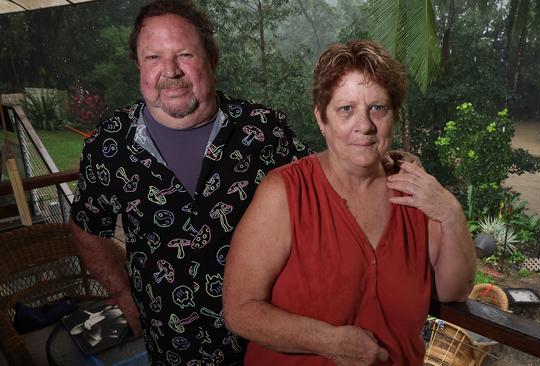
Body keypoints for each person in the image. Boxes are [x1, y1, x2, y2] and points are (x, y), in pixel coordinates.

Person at [69, 1, 413, 364]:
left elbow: (328, 183)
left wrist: (386, 162)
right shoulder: (109, 145)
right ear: (138, 65)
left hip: (271, 340)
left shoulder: (263, 131)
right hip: (172, 343)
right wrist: (123, 293)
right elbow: (87, 227)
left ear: (212, 59)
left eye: (185, 54)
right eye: (153, 57)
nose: (169, 71)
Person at [222, 40, 477, 366]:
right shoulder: (284, 193)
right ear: (321, 118)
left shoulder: (414, 192)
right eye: (346, 109)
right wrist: (331, 342)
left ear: (393, 115)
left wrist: (451, 212)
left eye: (378, 108)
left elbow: (452, 291)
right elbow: (240, 311)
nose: (365, 125)